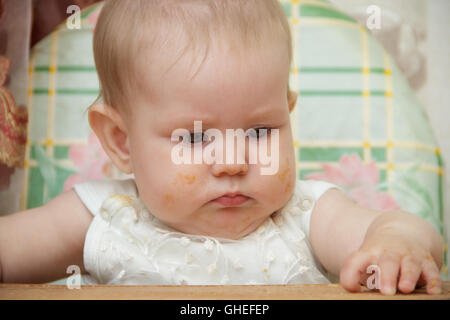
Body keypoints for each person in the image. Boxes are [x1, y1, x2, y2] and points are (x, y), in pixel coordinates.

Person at [0, 0, 443, 295]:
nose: (232, 162)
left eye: (259, 131)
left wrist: (395, 242)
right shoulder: (101, 216)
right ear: (121, 142)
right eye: (194, 137)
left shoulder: (308, 215)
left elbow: (407, 231)